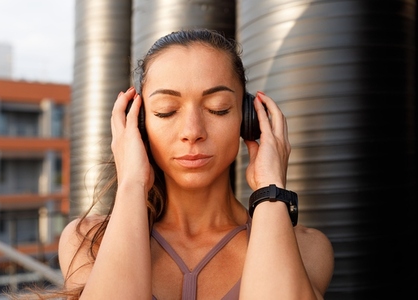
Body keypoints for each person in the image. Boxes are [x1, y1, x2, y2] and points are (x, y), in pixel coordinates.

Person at [55, 28, 334, 299]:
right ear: (139, 123)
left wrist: (271, 187)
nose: (192, 130)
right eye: (166, 112)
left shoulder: (306, 247)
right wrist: (132, 183)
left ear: (248, 119)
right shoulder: (86, 241)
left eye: (218, 108)